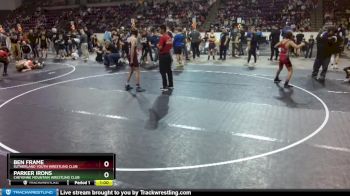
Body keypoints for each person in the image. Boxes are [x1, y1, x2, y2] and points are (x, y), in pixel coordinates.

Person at [158, 24, 173, 92]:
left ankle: (165, 86)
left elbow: (160, 47)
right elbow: (170, 46)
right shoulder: (169, 37)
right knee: (169, 71)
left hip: (163, 56)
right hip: (168, 55)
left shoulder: (163, 37)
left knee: (162, 71)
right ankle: (171, 85)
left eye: (160, 29)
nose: (159, 30)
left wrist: (157, 45)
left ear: (163, 29)